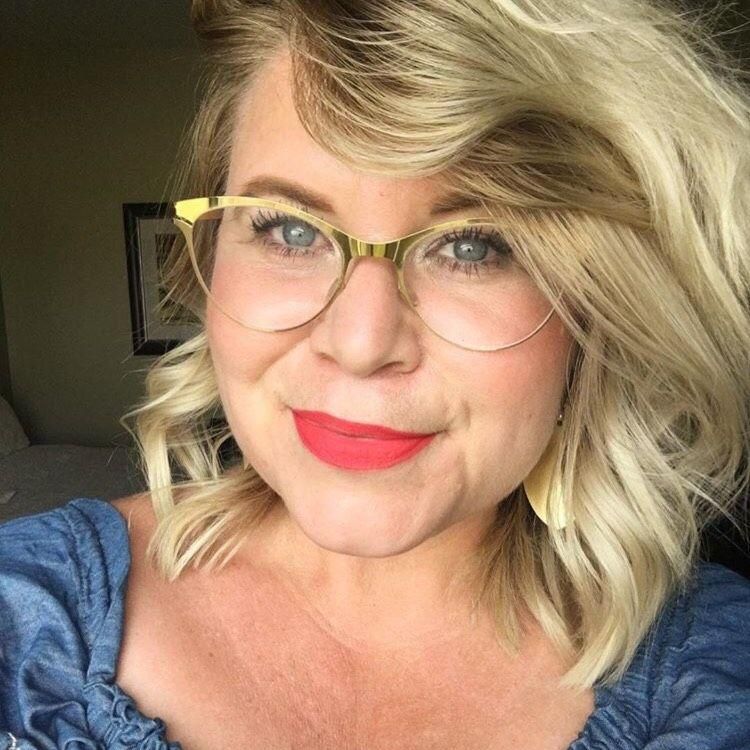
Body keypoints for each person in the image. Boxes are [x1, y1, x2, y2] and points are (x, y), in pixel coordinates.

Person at [2, 0, 750, 748]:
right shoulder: (24, 609)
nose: (361, 344)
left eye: (472, 245)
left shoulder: (716, 669)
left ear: (596, 312)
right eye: (290, 229)